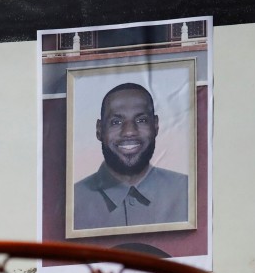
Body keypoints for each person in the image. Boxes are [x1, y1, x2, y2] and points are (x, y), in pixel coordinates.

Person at [73, 83, 189, 230]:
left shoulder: (189, 192)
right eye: (116, 122)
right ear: (99, 130)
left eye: (141, 120)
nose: (129, 132)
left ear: (156, 126)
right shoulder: (71, 202)